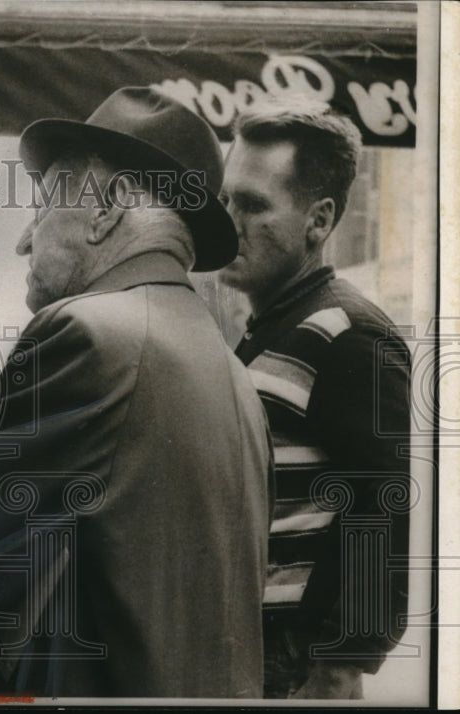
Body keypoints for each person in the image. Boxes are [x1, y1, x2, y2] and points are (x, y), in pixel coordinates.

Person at [0, 87, 273, 698]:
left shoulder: (89, 334)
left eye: (45, 203)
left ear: (106, 208)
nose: (25, 239)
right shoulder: (233, 375)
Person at [218, 98, 411, 699]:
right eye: (226, 199)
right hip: (253, 651)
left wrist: (339, 667)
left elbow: (387, 510)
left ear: (319, 220)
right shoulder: (269, 325)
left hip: (296, 663)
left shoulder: (348, 333)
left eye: (252, 205)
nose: (228, 221)